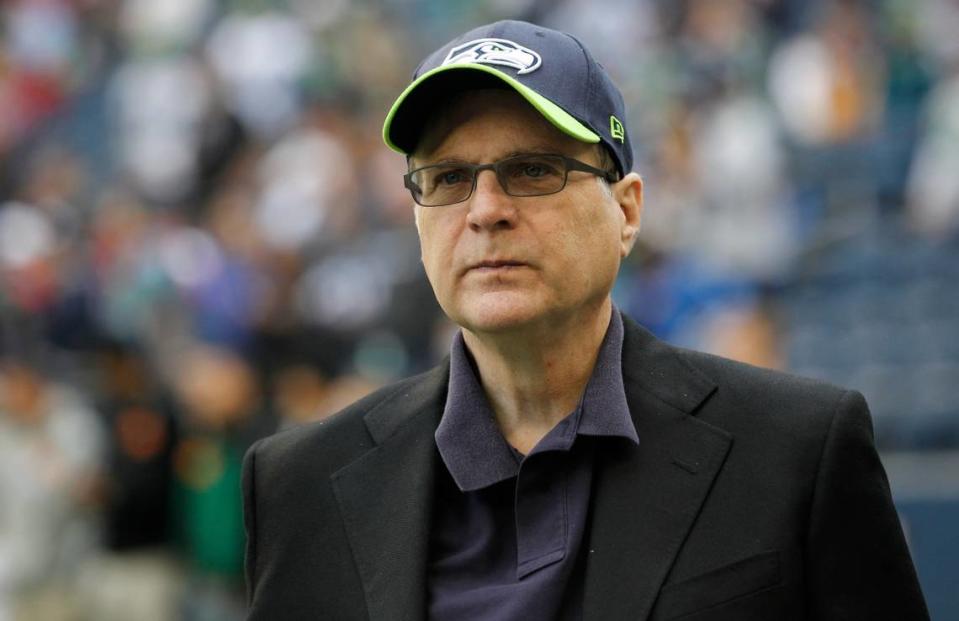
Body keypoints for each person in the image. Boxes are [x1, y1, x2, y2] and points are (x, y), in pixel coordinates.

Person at [241, 20, 929, 620]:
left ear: (626, 211)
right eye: (448, 178)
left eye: (533, 169)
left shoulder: (794, 452)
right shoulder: (300, 485)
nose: (484, 210)